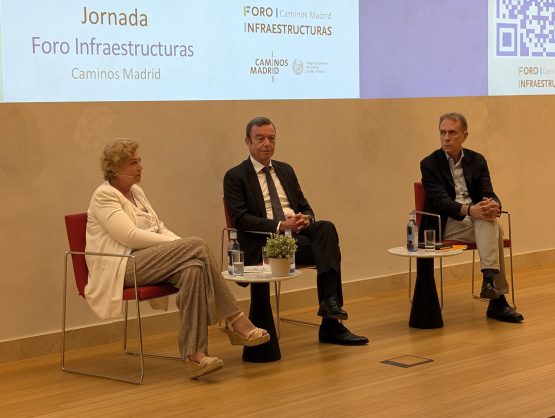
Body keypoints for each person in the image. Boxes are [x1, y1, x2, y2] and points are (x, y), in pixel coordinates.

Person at [85, 138, 270, 379]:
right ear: (115, 168)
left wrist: (183, 246)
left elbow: (158, 227)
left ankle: (195, 355)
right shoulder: (104, 195)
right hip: (121, 266)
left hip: (149, 260)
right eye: (133, 163)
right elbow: (129, 236)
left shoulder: (136, 192)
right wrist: (183, 246)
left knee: (193, 268)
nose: (140, 167)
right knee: (196, 246)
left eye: (139, 161)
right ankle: (235, 319)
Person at [224, 117, 369, 345]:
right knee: (327, 250)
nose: (266, 144)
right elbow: (241, 219)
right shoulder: (236, 176)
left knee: (326, 229)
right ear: (248, 142)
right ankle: (332, 326)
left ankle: (329, 304)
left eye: (271, 138)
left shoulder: (285, 170)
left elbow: (304, 206)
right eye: (260, 139)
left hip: (296, 237)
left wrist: (305, 218)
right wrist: (281, 226)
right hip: (264, 243)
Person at [420, 113, 524, 323]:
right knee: (495, 229)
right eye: (442, 133)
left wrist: (494, 205)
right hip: (445, 222)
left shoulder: (477, 160)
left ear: (464, 135)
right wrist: (469, 210)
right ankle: (496, 296)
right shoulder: (429, 163)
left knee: (489, 220)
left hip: (475, 219)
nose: (446, 138)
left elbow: (488, 192)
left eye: (452, 133)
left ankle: (490, 284)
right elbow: (441, 201)